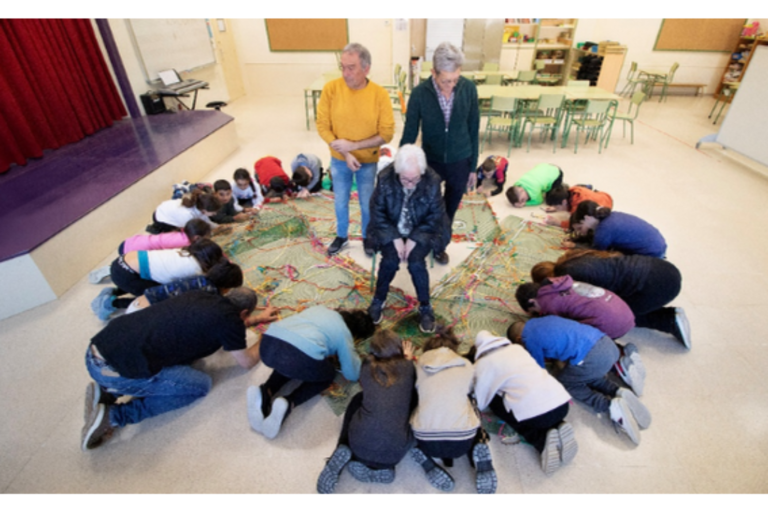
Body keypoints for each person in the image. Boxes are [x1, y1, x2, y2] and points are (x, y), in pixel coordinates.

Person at [81, 288, 263, 450]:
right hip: (114, 373)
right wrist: (266, 338)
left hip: (97, 352)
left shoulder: (201, 294)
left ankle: (107, 392)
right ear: (244, 312)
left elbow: (222, 325)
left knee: (166, 354)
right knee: (200, 386)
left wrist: (254, 320)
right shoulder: (229, 322)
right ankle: (115, 416)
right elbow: (247, 362)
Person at [508, 316, 651, 446]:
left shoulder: (528, 339)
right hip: (607, 345)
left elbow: (538, 370)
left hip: (593, 358)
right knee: (584, 374)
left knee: (568, 382)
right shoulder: (542, 320)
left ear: (519, 339)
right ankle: (616, 390)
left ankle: (608, 406)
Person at [400, 42, 479, 265]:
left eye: (455, 80)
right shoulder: (419, 94)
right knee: (426, 206)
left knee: (449, 209)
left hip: (460, 160)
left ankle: (440, 245)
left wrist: (473, 166)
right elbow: (410, 131)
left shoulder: (468, 89)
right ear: (433, 72)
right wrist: (401, 165)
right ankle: (421, 242)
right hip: (431, 160)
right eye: (446, 80)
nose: (451, 86)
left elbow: (473, 128)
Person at [246, 306, 375, 440]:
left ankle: (266, 391)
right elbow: (352, 374)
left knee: (286, 358)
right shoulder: (344, 332)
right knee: (326, 374)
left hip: (267, 345)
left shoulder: (319, 309)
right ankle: (289, 402)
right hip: (298, 357)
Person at [316, 42, 395, 257]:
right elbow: (322, 125)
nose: (345, 73)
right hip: (339, 159)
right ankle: (341, 236)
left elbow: (387, 133)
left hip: (367, 161)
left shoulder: (379, 95)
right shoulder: (331, 89)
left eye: (351, 68)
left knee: (367, 203)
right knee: (340, 201)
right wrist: (346, 152)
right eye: (342, 67)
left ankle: (367, 237)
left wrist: (354, 146)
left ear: (366, 68)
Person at [317, 330, 416, 493]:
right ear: (399, 349)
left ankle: (342, 447)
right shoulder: (408, 368)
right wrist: (407, 359)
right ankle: (397, 464)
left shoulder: (366, 367)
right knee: (411, 402)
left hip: (358, 446)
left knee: (358, 399)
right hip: (394, 456)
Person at [366, 144, 450, 334]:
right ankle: (378, 299)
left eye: (415, 179)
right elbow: (377, 213)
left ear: (422, 172)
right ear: (397, 172)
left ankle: (425, 306)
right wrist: (394, 237)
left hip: (421, 229)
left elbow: (435, 216)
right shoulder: (385, 178)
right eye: (405, 179)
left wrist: (414, 238)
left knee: (416, 263)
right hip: (391, 228)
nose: (410, 184)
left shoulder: (432, 181)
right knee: (390, 260)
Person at [531, 249, 691, 349]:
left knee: (624, 316)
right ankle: (668, 314)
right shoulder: (570, 260)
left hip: (659, 284)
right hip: (661, 268)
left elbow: (596, 302)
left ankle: (669, 320)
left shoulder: (570, 277)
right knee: (627, 305)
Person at [515, 275, 645, 395]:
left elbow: (561, 329)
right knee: (590, 338)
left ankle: (619, 365)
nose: (538, 313)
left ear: (532, 301)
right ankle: (624, 351)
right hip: (623, 312)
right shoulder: (555, 284)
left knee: (582, 342)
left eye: (534, 311)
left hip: (611, 323)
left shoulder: (547, 303)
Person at [471, 330, 575, 476]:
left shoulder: (482, 364)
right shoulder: (517, 349)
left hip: (538, 417)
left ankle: (542, 442)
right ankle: (559, 425)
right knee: (534, 398)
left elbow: (480, 401)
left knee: (496, 401)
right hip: (562, 404)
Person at [409, 327, 496, 494]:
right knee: (470, 401)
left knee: (420, 401)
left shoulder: (420, 364)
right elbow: (473, 392)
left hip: (426, 440)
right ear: (454, 347)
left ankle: (426, 457)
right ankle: (479, 443)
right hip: (463, 440)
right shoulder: (467, 365)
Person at [90, 238, 225, 320]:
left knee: (146, 282)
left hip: (122, 263)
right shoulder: (195, 268)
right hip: (126, 275)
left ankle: (116, 290)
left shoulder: (185, 252)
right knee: (154, 299)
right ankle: (111, 303)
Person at [88, 219, 212, 285]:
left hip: (130, 242)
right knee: (139, 267)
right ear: (197, 238)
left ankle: (111, 267)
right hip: (133, 251)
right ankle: (109, 269)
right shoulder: (184, 242)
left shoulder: (182, 233)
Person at [569, 201, 667, 258]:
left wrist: (575, 246)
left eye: (580, 228)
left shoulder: (603, 229)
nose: (581, 232)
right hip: (658, 244)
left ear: (587, 218)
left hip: (651, 253)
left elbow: (595, 253)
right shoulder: (612, 215)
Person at [148, 189, 221, 233]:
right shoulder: (188, 215)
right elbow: (190, 231)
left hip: (165, 209)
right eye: (213, 212)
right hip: (160, 217)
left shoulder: (200, 206)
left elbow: (206, 221)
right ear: (204, 210)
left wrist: (218, 227)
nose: (215, 213)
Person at [543, 184, 614, 229]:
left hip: (605, 204)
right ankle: (588, 188)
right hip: (603, 195)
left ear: (564, 202)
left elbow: (574, 224)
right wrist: (556, 207)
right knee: (580, 186)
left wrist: (558, 222)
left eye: (557, 206)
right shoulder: (573, 189)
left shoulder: (578, 207)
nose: (557, 208)